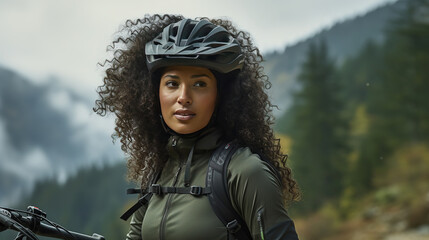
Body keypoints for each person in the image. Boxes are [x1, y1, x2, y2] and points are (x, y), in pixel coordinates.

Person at [94, 14, 300, 240]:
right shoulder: (158, 172)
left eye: (199, 84)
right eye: (172, 83)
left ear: (221, 96)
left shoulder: (245, 173)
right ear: (154, 93)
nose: (183, 97)